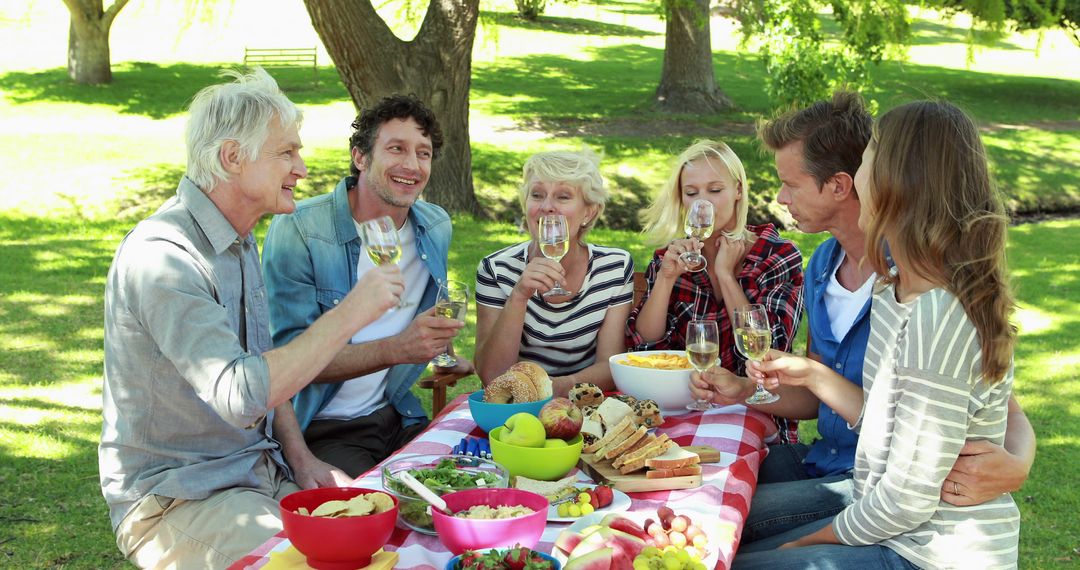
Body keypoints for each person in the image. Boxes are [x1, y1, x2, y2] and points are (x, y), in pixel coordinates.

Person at [692, 91, 1034, 553]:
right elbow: (864, 411)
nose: (779, 197)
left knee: (717, 537)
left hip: (887, 501)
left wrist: (1020, 461)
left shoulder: (923, 290)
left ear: (843, 185)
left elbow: (993, 402)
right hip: (839, 469)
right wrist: (754, 387)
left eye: (790, 184)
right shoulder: (847, 273)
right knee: (700, 501)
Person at [99, 69, 403, 569]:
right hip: (177, 497)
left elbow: (261, 363)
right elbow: (242, 395)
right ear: (232, 158)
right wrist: (352, 313)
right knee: (311, 564)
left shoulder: (238, 241)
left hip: (259, 473)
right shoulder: (163, 257)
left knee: (374, 543)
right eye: (286, 153)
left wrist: (302, 459)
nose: (302, 169)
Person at [262, 94, 469, 479]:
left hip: (397, 412)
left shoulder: (435, 225)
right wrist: (396, 349)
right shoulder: (301, 230)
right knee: (384, 515)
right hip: (324, 430)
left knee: (467, 486)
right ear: (360, 157)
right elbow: (287, 362)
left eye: (423, 153)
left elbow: (433, 302)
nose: (412, 165)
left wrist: (444, 351)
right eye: (396, 149)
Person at [626, 139, 804, 443]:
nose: (702, 203)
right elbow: (644, 347)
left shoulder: (776, 256)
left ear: (737, 190)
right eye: (691, 193)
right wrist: (667, 278)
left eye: (715, 190)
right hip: (682, 413)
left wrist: (725, 275)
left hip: (759, 419)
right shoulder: (672, 257)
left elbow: (765, 350)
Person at [474, 147, 634, 396]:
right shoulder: (496, 269)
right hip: (517, 408)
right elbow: (492, 376)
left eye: (563, 197)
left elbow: (610, 366)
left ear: (588, 212)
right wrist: (519, 295)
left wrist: (556, 388)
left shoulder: (614, 267)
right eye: (537, 195)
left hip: (584, 405)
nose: (547, 206)